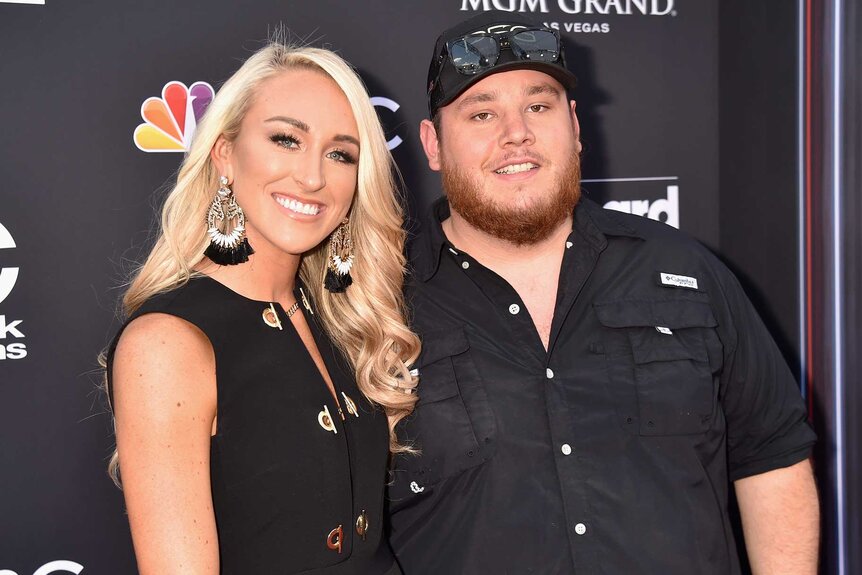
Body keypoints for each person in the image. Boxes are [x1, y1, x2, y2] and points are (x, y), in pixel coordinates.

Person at [387, 12, 819, 575]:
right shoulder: (380, 303)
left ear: (574, 124)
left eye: (538, 106)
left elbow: (773, 458)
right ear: (433, 144)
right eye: (482, 113)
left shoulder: (684, 271)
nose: (516, 132)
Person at [105, 40, 419, 574]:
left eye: (340, 153)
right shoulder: (168, 341)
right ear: (225, 155)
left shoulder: (336, 320)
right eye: (286, 139)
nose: (314, 176)